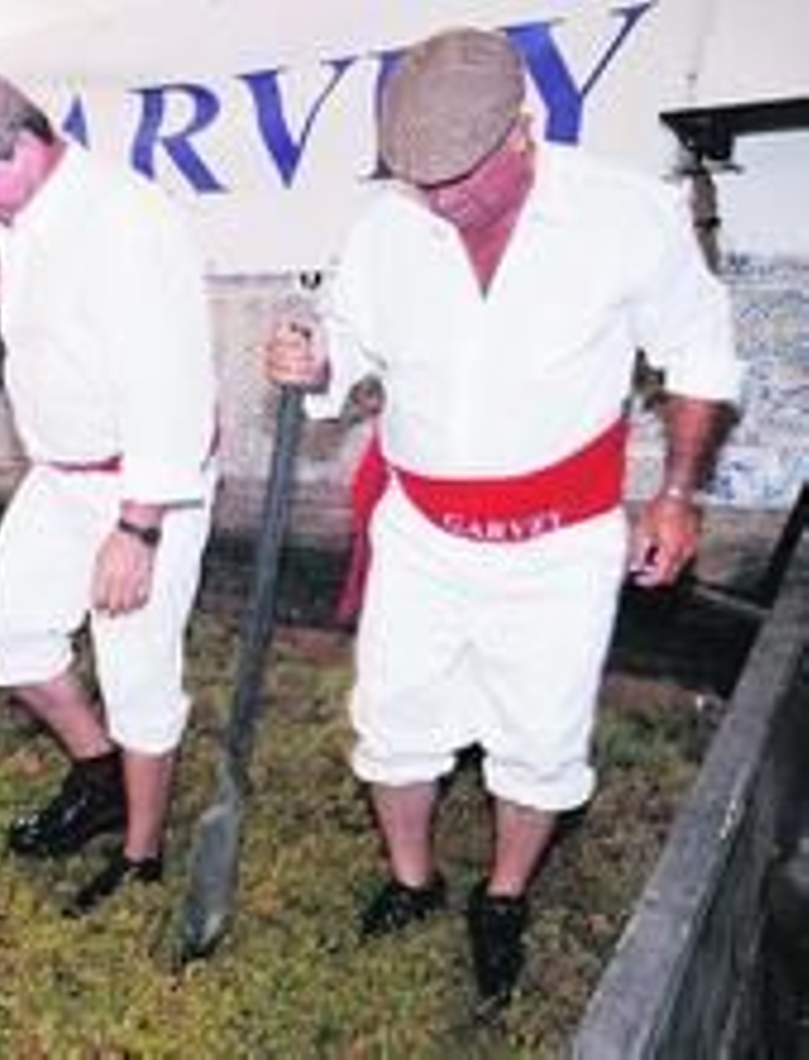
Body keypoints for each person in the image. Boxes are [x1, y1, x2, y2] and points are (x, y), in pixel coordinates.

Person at [263, 28, 742, 1012]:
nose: (435, 202)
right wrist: (315, 363)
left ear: (520, 131)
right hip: (423, 536)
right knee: (390, 725)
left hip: (558, 546)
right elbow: (347, 341)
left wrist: (678, 493)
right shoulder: (387, 229)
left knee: (541, 736)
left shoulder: (624, 215)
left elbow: (698, 348)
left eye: (455, 181)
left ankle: (504, 892)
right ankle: (412, 876)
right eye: (415, 181)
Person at [0, 68, 219, 916]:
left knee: (136, 672)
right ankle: (102, 776)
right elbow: (54, 302)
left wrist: (141, 529)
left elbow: (172, 388)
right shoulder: (37, 214)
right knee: (6, 628)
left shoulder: (123, 221)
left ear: (20, 142)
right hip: (62, 479)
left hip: (143, 483)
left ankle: (141, 854)